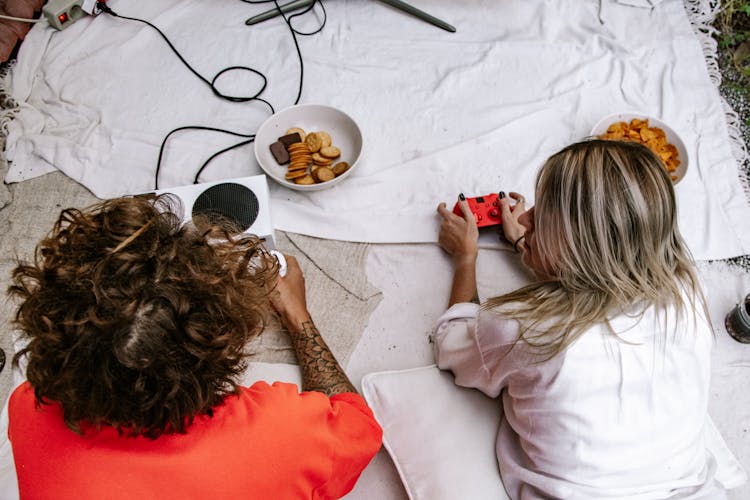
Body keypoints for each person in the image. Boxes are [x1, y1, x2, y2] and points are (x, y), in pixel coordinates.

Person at [6, 195, 382, 499]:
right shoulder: (282, 438)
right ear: (221, 346)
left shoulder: (26, 407)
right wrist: (297, 316)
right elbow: (357, 425)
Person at [434, 139, 731, 498]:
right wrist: (531, 247)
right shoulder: (684, 288)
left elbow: (451, 338)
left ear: (580, 251)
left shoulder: (527, 330)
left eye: (541, 219)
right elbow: (602, 280)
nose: (525, 219)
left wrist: (466, 258)